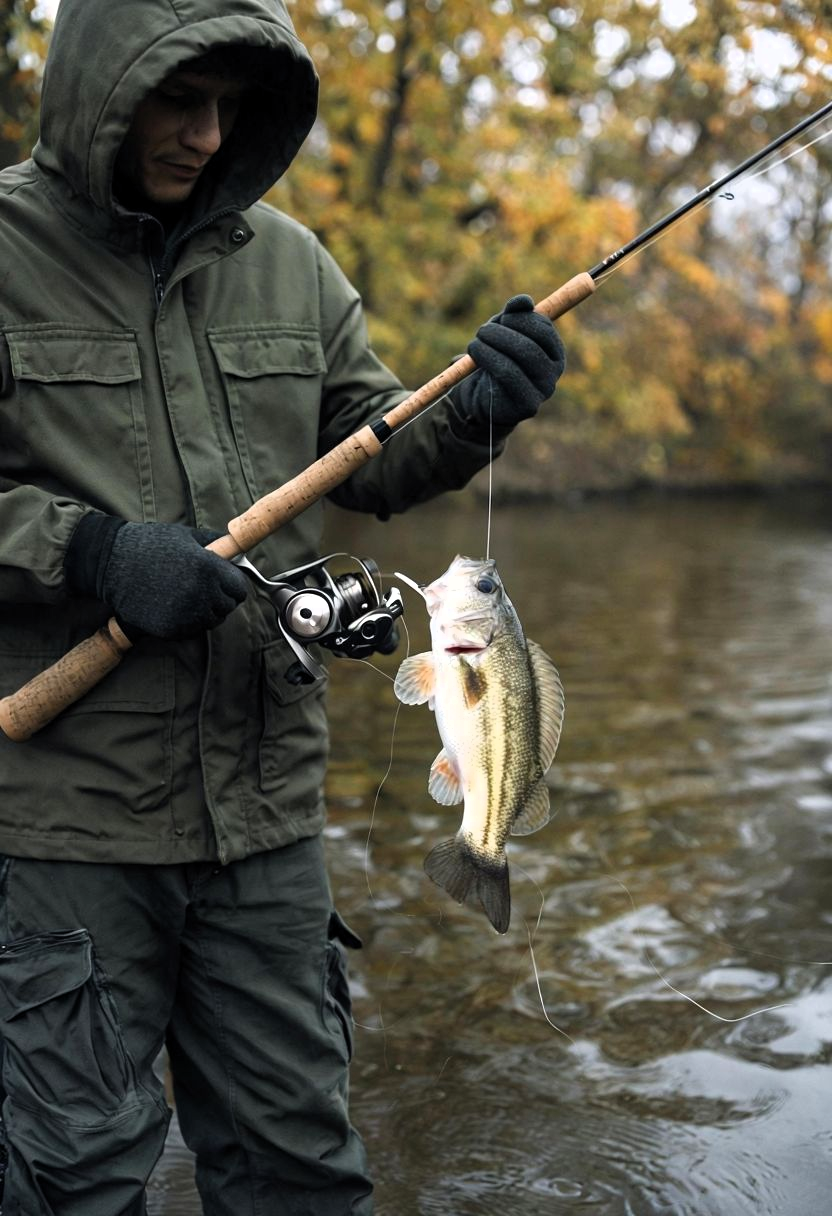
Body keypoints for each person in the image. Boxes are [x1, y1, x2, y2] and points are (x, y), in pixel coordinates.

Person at [0, 0, 565, 1212]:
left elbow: (376, 448)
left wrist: (477, 410)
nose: (207, 136)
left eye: (228, 109)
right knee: (68, 1181)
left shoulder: (293, 263)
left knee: (299, 1173)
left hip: (266, 821)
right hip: (67, 830)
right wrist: (88, 550)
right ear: (101, 90)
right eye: (177, 100)